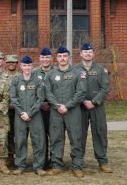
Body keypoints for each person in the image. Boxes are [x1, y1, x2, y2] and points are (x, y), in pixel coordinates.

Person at [45, 46, 87, 178]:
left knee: (76, 138)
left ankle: (77, 165)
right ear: (56, 58)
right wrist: (57, 106)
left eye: (65, 56)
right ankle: (57, 165)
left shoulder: (78, 72)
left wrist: (67, 106)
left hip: (73, 111)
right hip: (56, 112)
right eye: (60, 56)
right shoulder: (50, 74)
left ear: (69, 57)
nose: (62, 59)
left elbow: (81, 92)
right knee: (56, 138)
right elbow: (48, 92)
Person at [9, 55, 48, 176]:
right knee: (20, 141)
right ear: (21, 66)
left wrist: (30, 113)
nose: (27, 67)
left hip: (35, 115)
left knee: (38, 140)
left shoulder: (38, 81)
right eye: (24, 65)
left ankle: (38, 166)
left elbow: (40, 99)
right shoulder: (15, 81)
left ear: (32, 66)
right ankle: (20, 165)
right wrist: (22, 112)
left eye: (29, 65)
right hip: (20, 116)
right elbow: (13, 98)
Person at [77, 43, 112, 173]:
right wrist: (83, 101)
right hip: (80, 107)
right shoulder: (75, 70)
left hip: (97, 107)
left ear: (93, 54)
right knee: (79, 134)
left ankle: (103, 161)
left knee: (100, 132)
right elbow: (73, 89)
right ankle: (78, 161)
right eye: (85, 52)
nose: (87, 54)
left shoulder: (100, 70)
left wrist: (94, 101)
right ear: (80, 54)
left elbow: (105, 88)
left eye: (90, 52)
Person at [34, 47, 53, 169]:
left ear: (51, 59)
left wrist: (50, 104)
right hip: (39, 109)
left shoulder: (56, 72)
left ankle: (54, 160)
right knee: (41, 136)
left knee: (55, 135)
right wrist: (40, 104)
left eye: (47, 57)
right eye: (43, 57)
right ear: (39, 59)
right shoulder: (34, 73)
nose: (45, 60)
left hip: (53, 109)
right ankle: (43, 160)